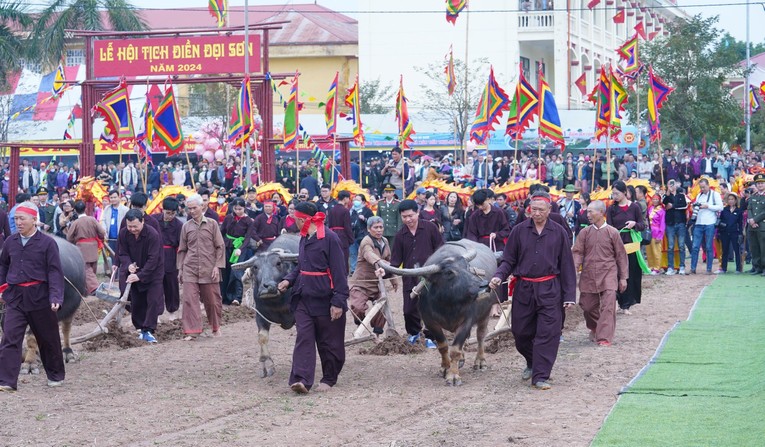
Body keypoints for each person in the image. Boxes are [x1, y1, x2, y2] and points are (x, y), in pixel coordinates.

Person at [489, 191, 576, 390]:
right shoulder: (519, 231)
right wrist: (498, 275)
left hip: (550, 288)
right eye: (533, 209)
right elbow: (509, 259)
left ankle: (540, 375)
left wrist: (569, 296)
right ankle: (532, 361)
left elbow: (567, 266)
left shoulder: (559, 232)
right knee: (521, 333)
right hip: (524, 288)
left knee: (548, 333)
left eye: (540, 210)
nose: (536, 213)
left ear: (549, 211)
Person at [276, 201, 349, 394]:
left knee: (329, 342)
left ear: (302, 220)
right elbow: (302, 267)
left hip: (326, 298)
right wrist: (288, 280)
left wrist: (338, 301)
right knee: (304, 338)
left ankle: (329, 378)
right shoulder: (304, 238)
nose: (293, 223)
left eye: (295, 220)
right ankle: (301, 379)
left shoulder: (330, 239)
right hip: (304, 297)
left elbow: (340, 272)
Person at [0, 202, 66, 392]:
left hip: (40, 296)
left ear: (34, 220)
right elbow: (4, 265)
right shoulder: (10, 242)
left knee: (48, 339)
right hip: (16, 297)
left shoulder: (47, 243)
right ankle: (6, 381)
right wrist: (3, 287)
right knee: (10, 338)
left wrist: (56, 296)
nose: (18, 223)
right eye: (15, 219)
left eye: (22, 219)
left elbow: (55, 272)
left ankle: (55, 375)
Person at [386, 199, 443, 347]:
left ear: (417, 212)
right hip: (410, 277)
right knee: (409, 310)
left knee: (430, 308)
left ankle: (431, 337)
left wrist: (440, 266)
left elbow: (440, 249)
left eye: (411, 215)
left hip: (430, 276)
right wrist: (385, 270)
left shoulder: (430, 228)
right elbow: (395, 260)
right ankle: (414, 333)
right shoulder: (400, 235)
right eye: (404, 217)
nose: (408, 219)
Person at [573, 200, 628, 346]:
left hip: (608, 274)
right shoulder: (584, 233)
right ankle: (595, 327)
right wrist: (574, 269)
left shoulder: (612, 232)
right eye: (587, 211)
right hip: (589, 274)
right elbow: (577, 253)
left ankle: (604, 337)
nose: (587, 214)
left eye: (591, 211)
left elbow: (621, 256)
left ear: (601, 213)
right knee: (587, 307)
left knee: (608, 305)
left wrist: (623, 278)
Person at [177, 194, 225, 340]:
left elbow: (220, 246)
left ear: (202, 206)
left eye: (194, 208)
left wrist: (217, 266)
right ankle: (192, 331)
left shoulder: (212, 224)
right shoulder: (186, 226)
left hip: (209, 268)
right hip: (190, 268)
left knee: (212, 300)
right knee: (189, 300)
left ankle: (215, 327)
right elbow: (182, 249)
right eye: (189, 208)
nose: (191, 211)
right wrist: (180, 269)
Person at [117, 209, 164, 343]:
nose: (132, 229)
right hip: (134, 270)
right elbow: (122, 253)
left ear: (142, 221)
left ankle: (148, 329)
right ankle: (139, 327)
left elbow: (153, 259)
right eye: (129, 226)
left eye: (135, 226)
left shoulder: (152, 234)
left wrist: (141, 275)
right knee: (136, 301)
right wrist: (128, 265)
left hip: (153, 272)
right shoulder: (124, 233)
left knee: (153, 300)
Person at [606, 181, 647, 314]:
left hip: (631, 244)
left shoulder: (634, 207)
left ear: (625, 193)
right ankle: (616, 301)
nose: (615, 196)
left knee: (631, 273)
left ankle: (627, 304)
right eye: (613, 194)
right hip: (617, 244)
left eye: (617, 193)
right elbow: (609, 227)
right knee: (616, 273)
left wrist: (634, 224)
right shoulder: (611, 209)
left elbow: (642, 225)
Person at [349, 216, 394, 336]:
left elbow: (389, 259)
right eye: (376, 227)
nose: (379, 230)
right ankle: (360, 323)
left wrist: (393, 278)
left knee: (382, 306)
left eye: (381, 227)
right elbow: (369, 254)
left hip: (377, 283)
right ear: (369, 229)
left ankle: (377, 334)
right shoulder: (366, 241)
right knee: (357, 307)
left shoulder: (385, 241)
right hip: (361, 283)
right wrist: (380, 263)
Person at [66, 200, 106, 294]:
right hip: (93, 246)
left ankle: (94, 288)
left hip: (82, 248)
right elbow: (102, 232)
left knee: (87, 270)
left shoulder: (76, 223)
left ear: (75, 210)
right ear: (86, 209)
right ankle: (88, 289)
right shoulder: (92, 219)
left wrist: (73, 243)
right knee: (92, 268)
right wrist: (99, 238)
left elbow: (69, 237)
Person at [220, 198, 255, 305]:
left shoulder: (249, 221)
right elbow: (222, 232)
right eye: (236, 209)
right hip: (227, 245)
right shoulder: (228, 218)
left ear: (244, 208)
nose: (238, 211)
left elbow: (248, 237)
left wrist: (240, 249)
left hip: (240, 246)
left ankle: (236, 297)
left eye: (240, 209)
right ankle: (224, 296)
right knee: (225, 270)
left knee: (236, 271)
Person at [690, 178, 723, 274]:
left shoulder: (715, 194)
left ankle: (709, 269)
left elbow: (720, 207)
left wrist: (708, 206)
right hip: (699, 223)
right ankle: (693, 268)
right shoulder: (699, 195)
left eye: (704, 187)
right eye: (701, 187)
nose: (702, 189)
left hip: (710, 223)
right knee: (695, 247)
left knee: (709, 246)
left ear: (708, 185)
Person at [156, 197, 183, 316]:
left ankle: (172, 310)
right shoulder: (153, 220)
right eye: (167, 213)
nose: (169, 216)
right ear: (163, 210)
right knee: (156, 285)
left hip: (171, 256)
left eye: (172, 214)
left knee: (171, 285)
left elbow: (181, 245)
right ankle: (156, 313)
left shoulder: (179, 225)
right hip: (156, 255)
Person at [663, 180, 688, 275]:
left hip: (680, 223)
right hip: (670, 224)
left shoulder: (681, 195)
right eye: (670, 184)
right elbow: (664, 203)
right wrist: (668, 193)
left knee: (681, 246)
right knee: (670, 246)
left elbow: (684, 206)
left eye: (673, 184)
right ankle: (670, 267)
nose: (672, 186)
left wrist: (672, 206)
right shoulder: (666, 196)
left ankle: (682, 266)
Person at [327, 190, 354, 271]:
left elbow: (329, 224)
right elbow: (347, 226)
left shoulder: (331, 210)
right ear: (345, 198)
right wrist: (351, 239)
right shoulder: (345, 211)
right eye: (348, 198)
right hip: (342, 236)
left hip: (332, 234)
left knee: (333, 256)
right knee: (344, 257)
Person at [717, 192, 743, 274]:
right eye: (729, 199)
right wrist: (719, 232)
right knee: (725, 250)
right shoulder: (725, 210)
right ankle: (724, 268)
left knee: (737, 251)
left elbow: (741, 223)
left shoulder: (739, 211)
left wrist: (741, 233)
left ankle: (738, 268)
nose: (731, 201)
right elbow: (720, 221)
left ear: (735, 200)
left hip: (735, 232)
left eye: (732, 199)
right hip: (725, 232)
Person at [100, 190, 128, 265]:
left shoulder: (125, 209)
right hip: (110, 238)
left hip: (121, 238)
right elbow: (103, 220)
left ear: (119, 197)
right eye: (111, 198)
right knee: (112, 256)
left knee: (121, 256)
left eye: (115, 197)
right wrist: (104, 230)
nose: (113, 199)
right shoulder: (107, 208)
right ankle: (114, 274)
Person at [349, 194, 374, 274]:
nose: (356, 201)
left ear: (363, 201)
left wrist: (365, 219)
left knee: (364, 253)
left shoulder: (367, 211)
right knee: (353, 253)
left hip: (363, 236)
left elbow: (372, 222)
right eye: (355, 199)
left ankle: (365, 270)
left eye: (358, 200)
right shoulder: (351, 211)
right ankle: (353, 270)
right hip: (352, 235)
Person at [746, 174, 765, 275]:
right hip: (752, 226)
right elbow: (749, 208)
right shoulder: (753, 196)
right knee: (754, 247)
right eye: (758, 183)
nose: (760, 185)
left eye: (762, 183)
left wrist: (755, 220)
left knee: (763, 248)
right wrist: (751, 220)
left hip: (762, 225)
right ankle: (757, 267)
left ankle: (764, 268)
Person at [645, 195, 666, 275]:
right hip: (649, 232)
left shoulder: (661, 210)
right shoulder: (650, 208)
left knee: (656, 251)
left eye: (656, 199)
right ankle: (651, 266)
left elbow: (662, 224)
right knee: (649, 251)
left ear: (659, 200)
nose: (654, 201)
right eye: (653, 199)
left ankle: (657, 268)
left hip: (657, 232)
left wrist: (660, 236)